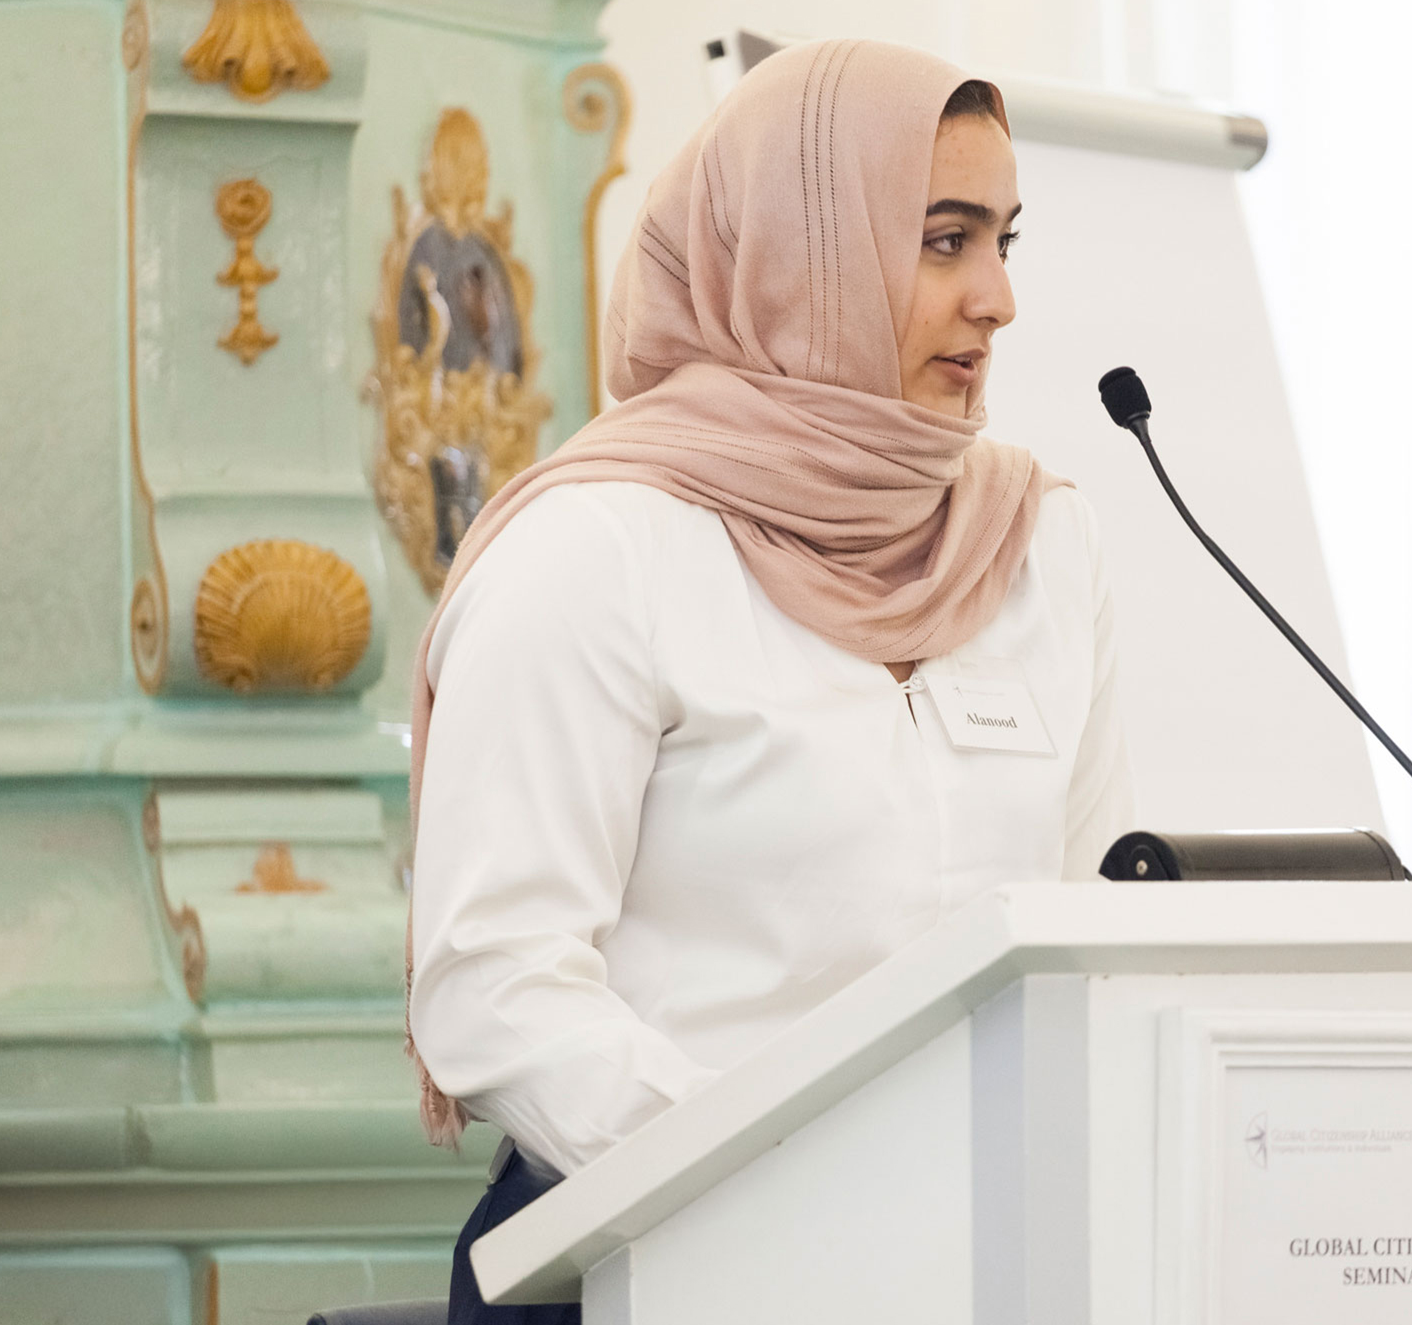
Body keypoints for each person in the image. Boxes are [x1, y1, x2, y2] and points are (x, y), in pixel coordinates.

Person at [405, 37, 1134, 1323]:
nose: (996, 299)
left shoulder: (1039, 542)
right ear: (803, 254)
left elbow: (1083, 937)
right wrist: (794, 1180)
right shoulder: (598, 548)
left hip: (977, 1258)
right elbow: (494, 979)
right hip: (651, 1253)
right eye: (941, 240)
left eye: (1004, 241)